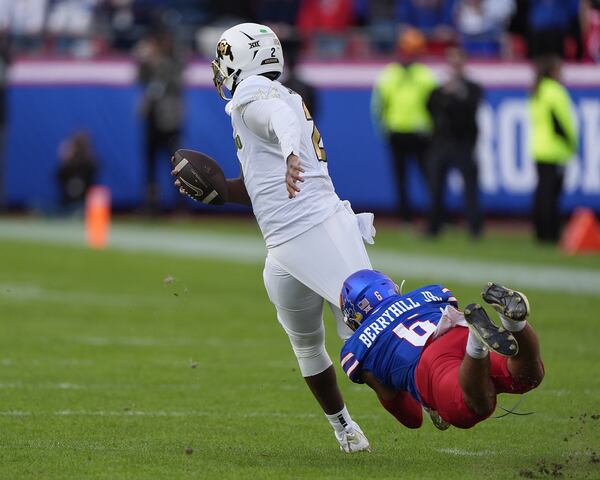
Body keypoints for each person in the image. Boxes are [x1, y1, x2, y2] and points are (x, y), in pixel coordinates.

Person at [173, 23, 374, 452]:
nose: (218, 69)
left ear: (242, 62)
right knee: (312, 342)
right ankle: (346, 428)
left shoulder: (252, 97)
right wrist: (221, 192)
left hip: (317, 231)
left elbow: (279, 122)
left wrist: (289, 154)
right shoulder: (285, 96)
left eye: (224, 58)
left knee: (367, 337)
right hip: (285, 245)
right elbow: (260, 190)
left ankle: (417, 392)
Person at [339, 269, 544, 430]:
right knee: (527, 376)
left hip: (431, 362)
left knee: (475, 407)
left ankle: (477, 343)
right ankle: (513, 324)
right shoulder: (428, 293)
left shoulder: (358, 348)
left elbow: (411, 417)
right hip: (456, 329)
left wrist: (429, 405)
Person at [372, 28, 437, 222]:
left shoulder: (426, 75)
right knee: (401, 179)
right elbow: (378, 105)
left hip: (420, 133)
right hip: (397, 132)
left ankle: (435, 216)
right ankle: (405, 217)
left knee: (428, 176)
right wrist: (383, 129)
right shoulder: (389, 74)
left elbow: (435, 105)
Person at [426, 47, 483, 238]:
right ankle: (434, 227)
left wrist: (456, 94)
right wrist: (446, 93)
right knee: (435, 188)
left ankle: (474, 228)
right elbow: (430, 106)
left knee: (470, 188)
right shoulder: (439, 89)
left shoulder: (472, 88)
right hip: (441, 144)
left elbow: (472, 108)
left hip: (463, 144)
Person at [529, 55, 578, 243]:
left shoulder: (537, 90)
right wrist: (571, 143)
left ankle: (540, 231)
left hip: (538, 148)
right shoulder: (555, 91)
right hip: (554, 149)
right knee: (551, 195)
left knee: (542, 192)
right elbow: (560, 121)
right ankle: (551, 233)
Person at [135, 29, 183, 213]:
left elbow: (175, 80)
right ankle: (151, 203)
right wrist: (144, 60)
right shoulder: (148, 62)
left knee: (176, 162)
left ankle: (180, 205)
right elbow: (139, 78)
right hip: (151, 117)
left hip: (170, 119)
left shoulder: (175, 60)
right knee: (150, 163)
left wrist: (158, 62)